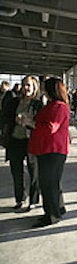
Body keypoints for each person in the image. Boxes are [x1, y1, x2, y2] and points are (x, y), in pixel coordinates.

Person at [28, 77, 69, 227]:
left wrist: (30, 123)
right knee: (53, 182)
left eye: (45, 88)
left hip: (53, 150)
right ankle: (58, 208)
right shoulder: (52, 105)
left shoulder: (58, 106)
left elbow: (50, 127)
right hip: (48, 149)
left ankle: (52, 215)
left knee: (48, 183)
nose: (43, 91)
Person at [2, 76, 43, 210]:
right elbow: (4, 117)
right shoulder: (14, 102)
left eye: (29, 85)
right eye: (24, 85)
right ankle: (20, 198)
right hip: (15, 140)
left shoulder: (38, 104)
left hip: (31, 140)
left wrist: (28, 122)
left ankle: (33, 200)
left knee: (33, 171)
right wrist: (14, 119)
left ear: (34, 87)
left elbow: (41, 123)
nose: (26, 88)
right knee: (16, 172)